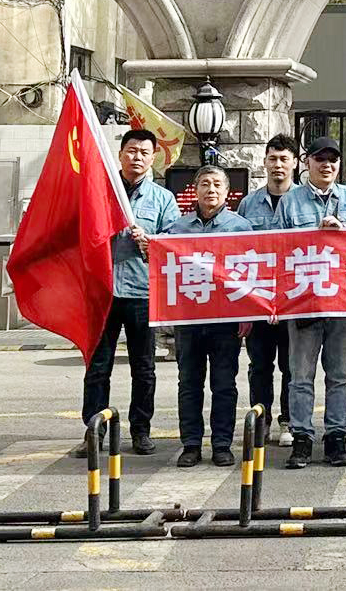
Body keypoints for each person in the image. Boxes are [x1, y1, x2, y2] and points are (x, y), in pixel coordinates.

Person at [77, 127, 179, 460]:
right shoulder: (100, 194)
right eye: (131, 151)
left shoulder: (163, 199)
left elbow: (173, 246)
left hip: (142, 293)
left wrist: (151, 244)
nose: (137, 157)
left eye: (144, 153)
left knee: (144, 367)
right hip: (103, 292)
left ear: (153, 158)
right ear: (120, 155)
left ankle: (141, 431)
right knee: (98, 366)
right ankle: (94, 432)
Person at [279, 136, 346, 469]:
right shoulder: (290, 201)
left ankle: (336, 436)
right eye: (320, 159)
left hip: (342, 301)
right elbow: (277, 248)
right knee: (300, 376)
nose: (327, 165)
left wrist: (343, 229)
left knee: (339, 374)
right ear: (308, 162)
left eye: (332, 159)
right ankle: (302, 438)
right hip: (303, 302)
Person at [167, 163, 252, 467]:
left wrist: (247, 313)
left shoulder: (241, 227)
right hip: (188, 319)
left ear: (227, 192)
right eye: (205, 184)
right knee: (189, 383)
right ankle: (190, 444)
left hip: (225, 320)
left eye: (217, 184)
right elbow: (164, 271)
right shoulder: (177, 229)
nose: (211, 190)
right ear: (195, 190)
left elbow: (249, 274)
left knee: (224, 383)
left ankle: (222, 444)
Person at [237, 134, 299, 447]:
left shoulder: (304, 201)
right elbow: (237, 252)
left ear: (295, 163)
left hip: (294, 300)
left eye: (284, 159)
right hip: (258, 300)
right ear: (264, 162)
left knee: (292, 366)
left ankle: (289, 421)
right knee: (259, 365)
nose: (278, 165)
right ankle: (261, 420)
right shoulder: (248, 204)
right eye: (273, 159)